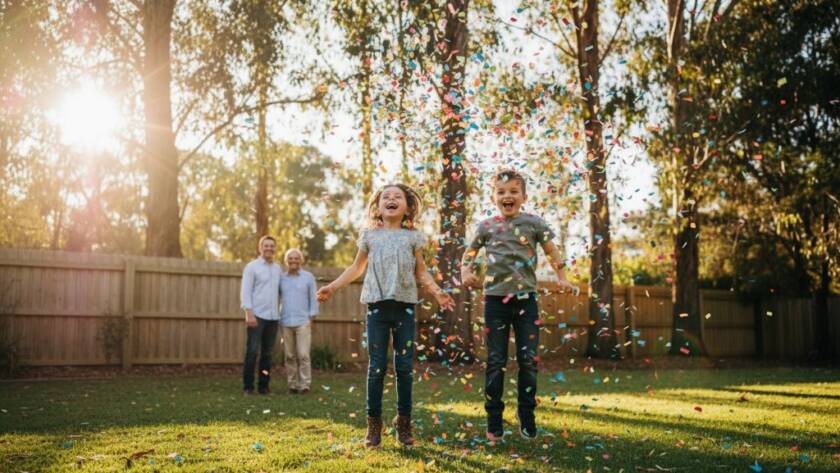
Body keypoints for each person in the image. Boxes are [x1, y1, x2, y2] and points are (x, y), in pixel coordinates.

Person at [317, 183, 454, 448]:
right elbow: (356, 268)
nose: (391, 199)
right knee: (377, 367)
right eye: (386, 197)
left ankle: (403, 423)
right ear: (378, 207)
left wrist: (437, 292)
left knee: (404, 368)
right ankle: (374, 425)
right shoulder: (369, 235)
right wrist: (332, 287)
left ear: (407, 206)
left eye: (397, 197)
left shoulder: (413, 237)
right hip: (377, 308)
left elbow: (421, 271)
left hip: (404, 307)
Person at [461, 170, 578, 441]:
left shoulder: (535, 223)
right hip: (494, 302)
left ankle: (526, 416)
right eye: (501, 192)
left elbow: (552, 251)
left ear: (523, 197)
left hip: (527, 301)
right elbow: (470, 253)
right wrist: (466, 271)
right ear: (493, 197)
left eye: (513, 191)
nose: (507, 196)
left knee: (528, 361)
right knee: (495, 361)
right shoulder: (486, 227)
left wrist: (562, 277)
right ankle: (494, 420)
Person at [240, 235, 283, 395]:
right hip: (256, 315)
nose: (269, 248)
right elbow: (245, 291)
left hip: (273, 317)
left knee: (267, 353)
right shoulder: (252, 267)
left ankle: (264, 387)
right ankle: (248, 387)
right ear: (260, 248)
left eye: (272, 246)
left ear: (275, 249)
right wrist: (248, 313)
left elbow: (282, 291)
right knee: (252, 352)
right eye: (266, 246)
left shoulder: (278, 268)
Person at [279, 248, 319, 394]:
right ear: (286, 261)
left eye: (296, 258)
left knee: (303, 355)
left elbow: (313, 300)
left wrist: (311, 318)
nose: (293, 261)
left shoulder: (308, 277)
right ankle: (292, 385)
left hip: (303, 322)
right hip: (285, 321)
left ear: (300, 260)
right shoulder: (281, 278)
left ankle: (305, 385)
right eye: (290, 258)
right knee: (289, 355)